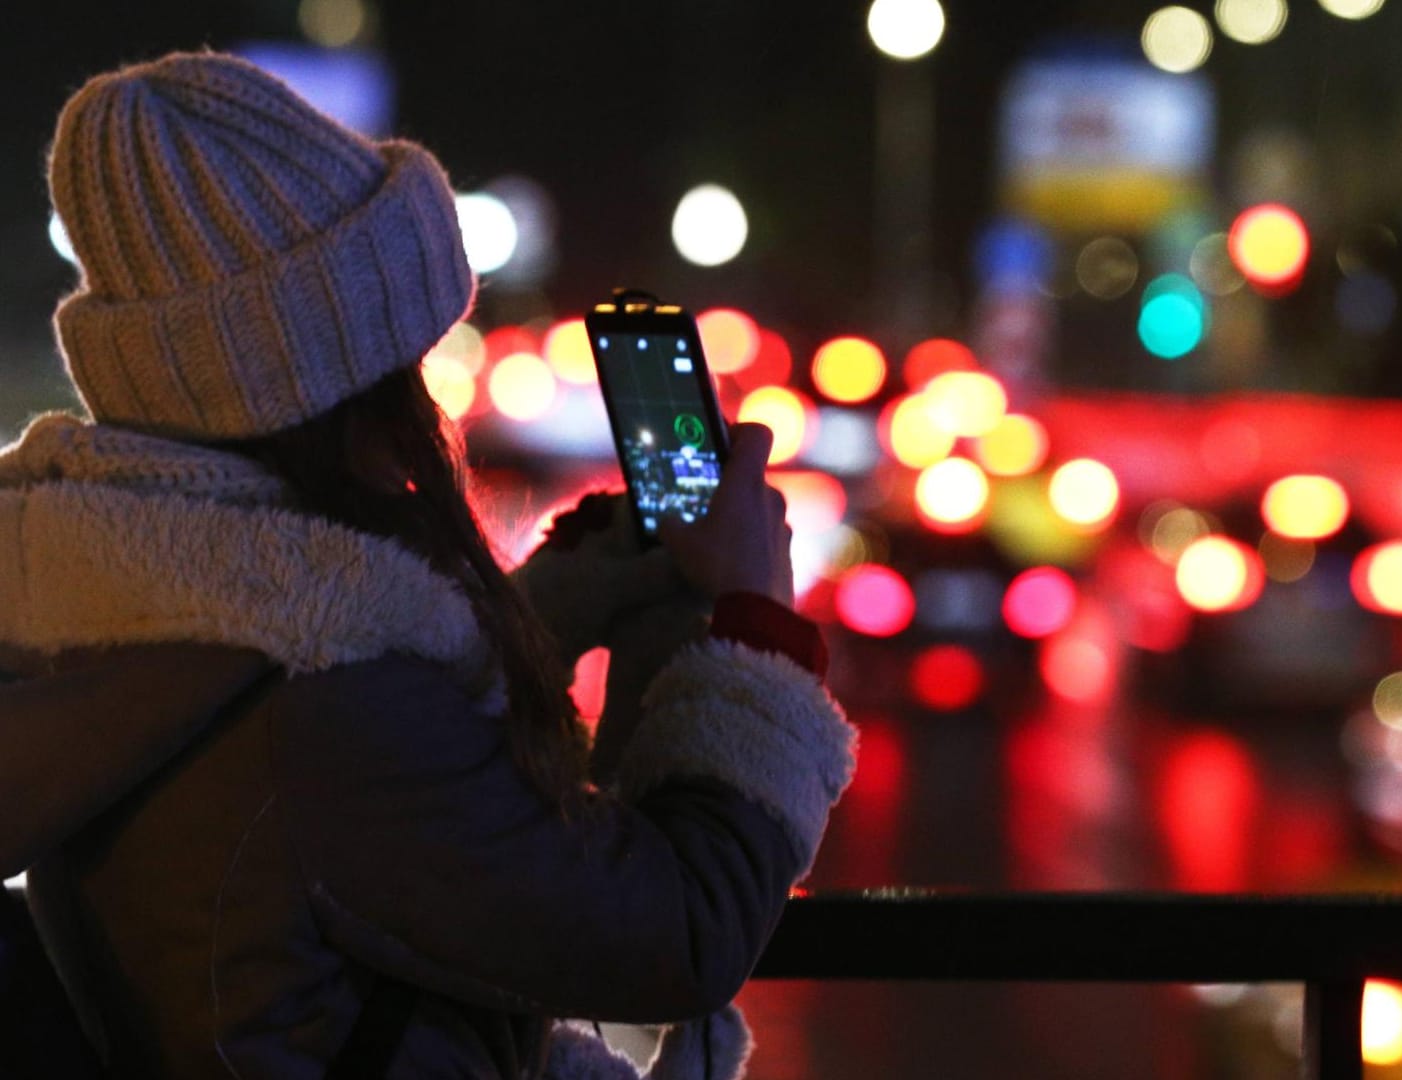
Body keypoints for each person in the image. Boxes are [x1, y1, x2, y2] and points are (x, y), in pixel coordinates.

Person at [0, 50, 855, 1078]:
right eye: (405, 355)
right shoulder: (329, 715)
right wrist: (753, 628)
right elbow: (673, 933)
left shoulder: (121, 608)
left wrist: (566, 595)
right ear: (341, 385)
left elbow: (344, 758)